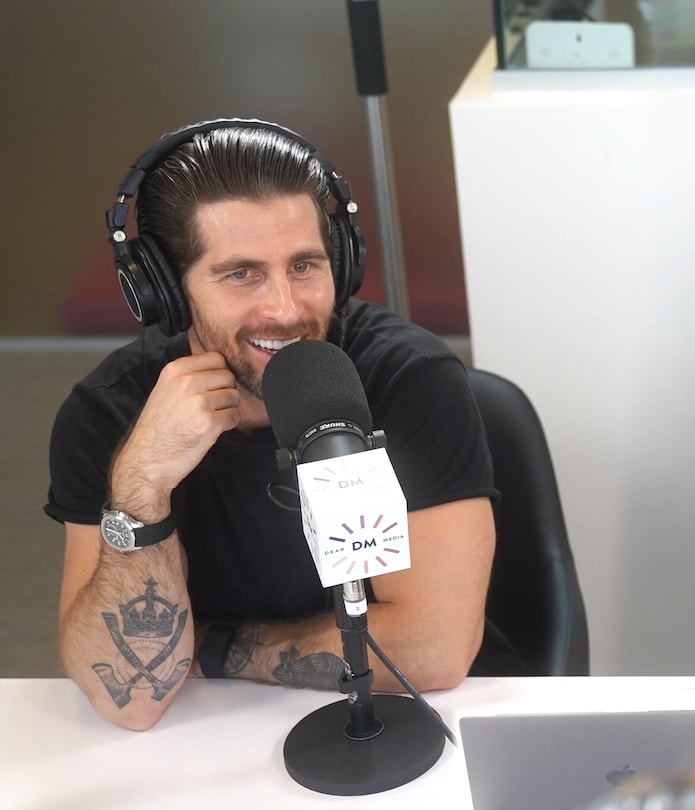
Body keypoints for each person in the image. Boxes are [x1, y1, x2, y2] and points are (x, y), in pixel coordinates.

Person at [45, 120, 500, 731]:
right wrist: (141, 485)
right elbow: (132, 698)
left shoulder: (410, 379)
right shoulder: (107, 415)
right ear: (167, 293)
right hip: (208, 740)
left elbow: (431, 651)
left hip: (399, 724)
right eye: (242, 273)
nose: (286, 309)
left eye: (304, 265)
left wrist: (215, 651)